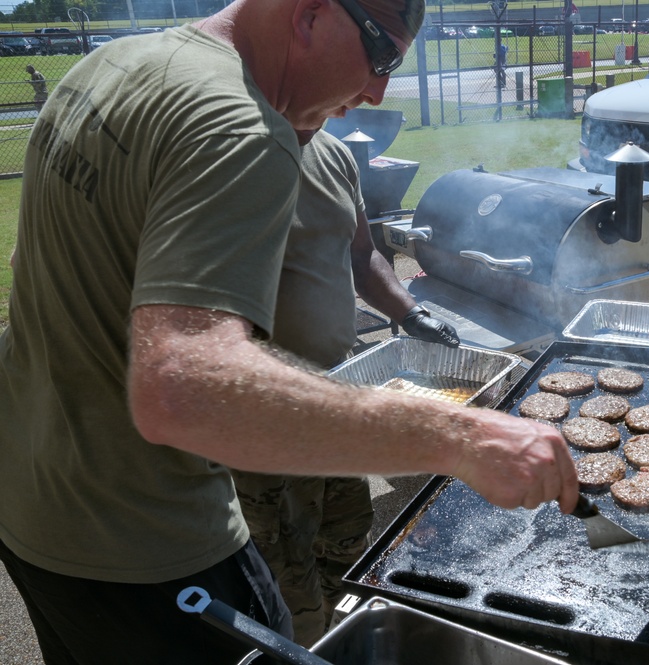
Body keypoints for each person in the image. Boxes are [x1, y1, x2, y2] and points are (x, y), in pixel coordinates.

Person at [0, 0, 578, 662]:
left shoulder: (110, 66)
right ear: (309, 14)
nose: (376, 90)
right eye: (381, 55)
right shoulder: (240, 125)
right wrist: (462, 437)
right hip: (151, 546)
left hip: (35, 516)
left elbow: (27, 268)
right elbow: (182, 391)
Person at [233, 127, 459, 646]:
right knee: (286, 570)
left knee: (346, 538)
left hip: (337, 395)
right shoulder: (230, 151)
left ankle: (342, 638)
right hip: (263, 422)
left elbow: (361, 255)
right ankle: (303, 648)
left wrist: (411, 312)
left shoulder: (333, 154)